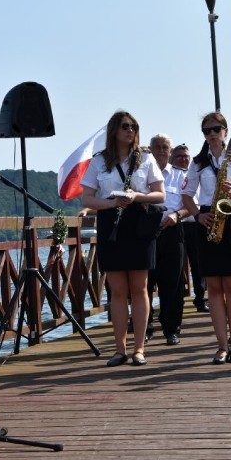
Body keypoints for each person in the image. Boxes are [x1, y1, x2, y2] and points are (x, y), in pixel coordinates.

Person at [80, 111, 165, 367]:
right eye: (125, 126)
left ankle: (139, 349)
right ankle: (119, 349)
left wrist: (137, 197)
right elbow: (86, 199)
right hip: (111, 223)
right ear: (114, 130)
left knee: (139, 288)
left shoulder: (147, 159)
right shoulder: (98, 162)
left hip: (139, 223)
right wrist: (111, 202)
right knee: (117, 291)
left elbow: (160, 196)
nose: (130, 131)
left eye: (134, 127)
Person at [182, 113, 231, 364]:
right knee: (214, 287)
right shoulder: (198, 162)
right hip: (208, 218)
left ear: (225, 131)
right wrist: (196, 215)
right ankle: (221, 345)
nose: (212, 134)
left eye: (216, 129)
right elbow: (186, 194)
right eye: (207, 131)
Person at [147, 134, 187, 345]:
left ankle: (172, 329)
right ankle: (145, 326)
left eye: (165, 147)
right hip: (146, 232)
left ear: (170, 152)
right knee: (145, 283)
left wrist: (177, 215)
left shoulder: (180, 176)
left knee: (173, 283)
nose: (161, 150)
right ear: (150, 150)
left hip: (172, 231)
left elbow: (191, 204)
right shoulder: (142, 172)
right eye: (157, 147)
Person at [172, 143, 208, 312]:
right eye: (180, 156)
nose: (184, 159)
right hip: (178, 225)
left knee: (199, 264)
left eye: (186, 156)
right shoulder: (170, 175)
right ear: (173, 158)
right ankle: (176, 301)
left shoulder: (197, 173)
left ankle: (200, 298)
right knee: (177, 267)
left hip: (195, 223)